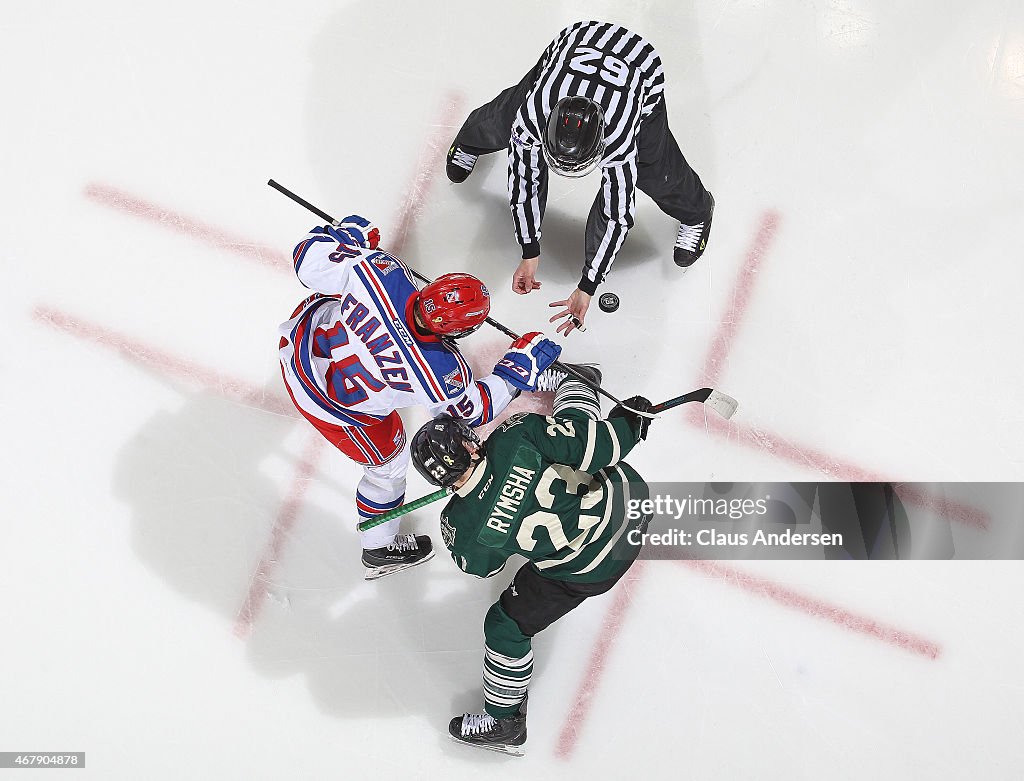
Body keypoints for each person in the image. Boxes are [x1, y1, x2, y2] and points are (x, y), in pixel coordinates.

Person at [278, 215, 562, 579]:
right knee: (387, 468)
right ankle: (378, 549)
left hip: (298, 342)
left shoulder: (380, 269)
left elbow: (306, 259)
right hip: (326, 403)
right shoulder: (442, 371)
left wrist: (348, 237)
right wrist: (517, 367)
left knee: (340, 285)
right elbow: (473, 410)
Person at [411, 364, 654, 755]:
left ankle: (504, 721)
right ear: (471, 445)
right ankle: (578, 382)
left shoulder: (459, 523)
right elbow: (602, 447)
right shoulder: (515, 434)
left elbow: (482, 566)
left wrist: (484, 514)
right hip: (631, 500)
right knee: (573, 435)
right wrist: (630, 423)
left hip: (592, 571)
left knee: (505, 625)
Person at [446, 20, 715, 335]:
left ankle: (697, 211)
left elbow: (617, 217)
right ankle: (470, 139)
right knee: (507, 116)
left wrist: (589, 285)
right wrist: (529, 248)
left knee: (655, 166)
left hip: (641, 66)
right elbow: (524, 180)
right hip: (576, 42)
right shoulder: (535, 113)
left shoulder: (619, 136)